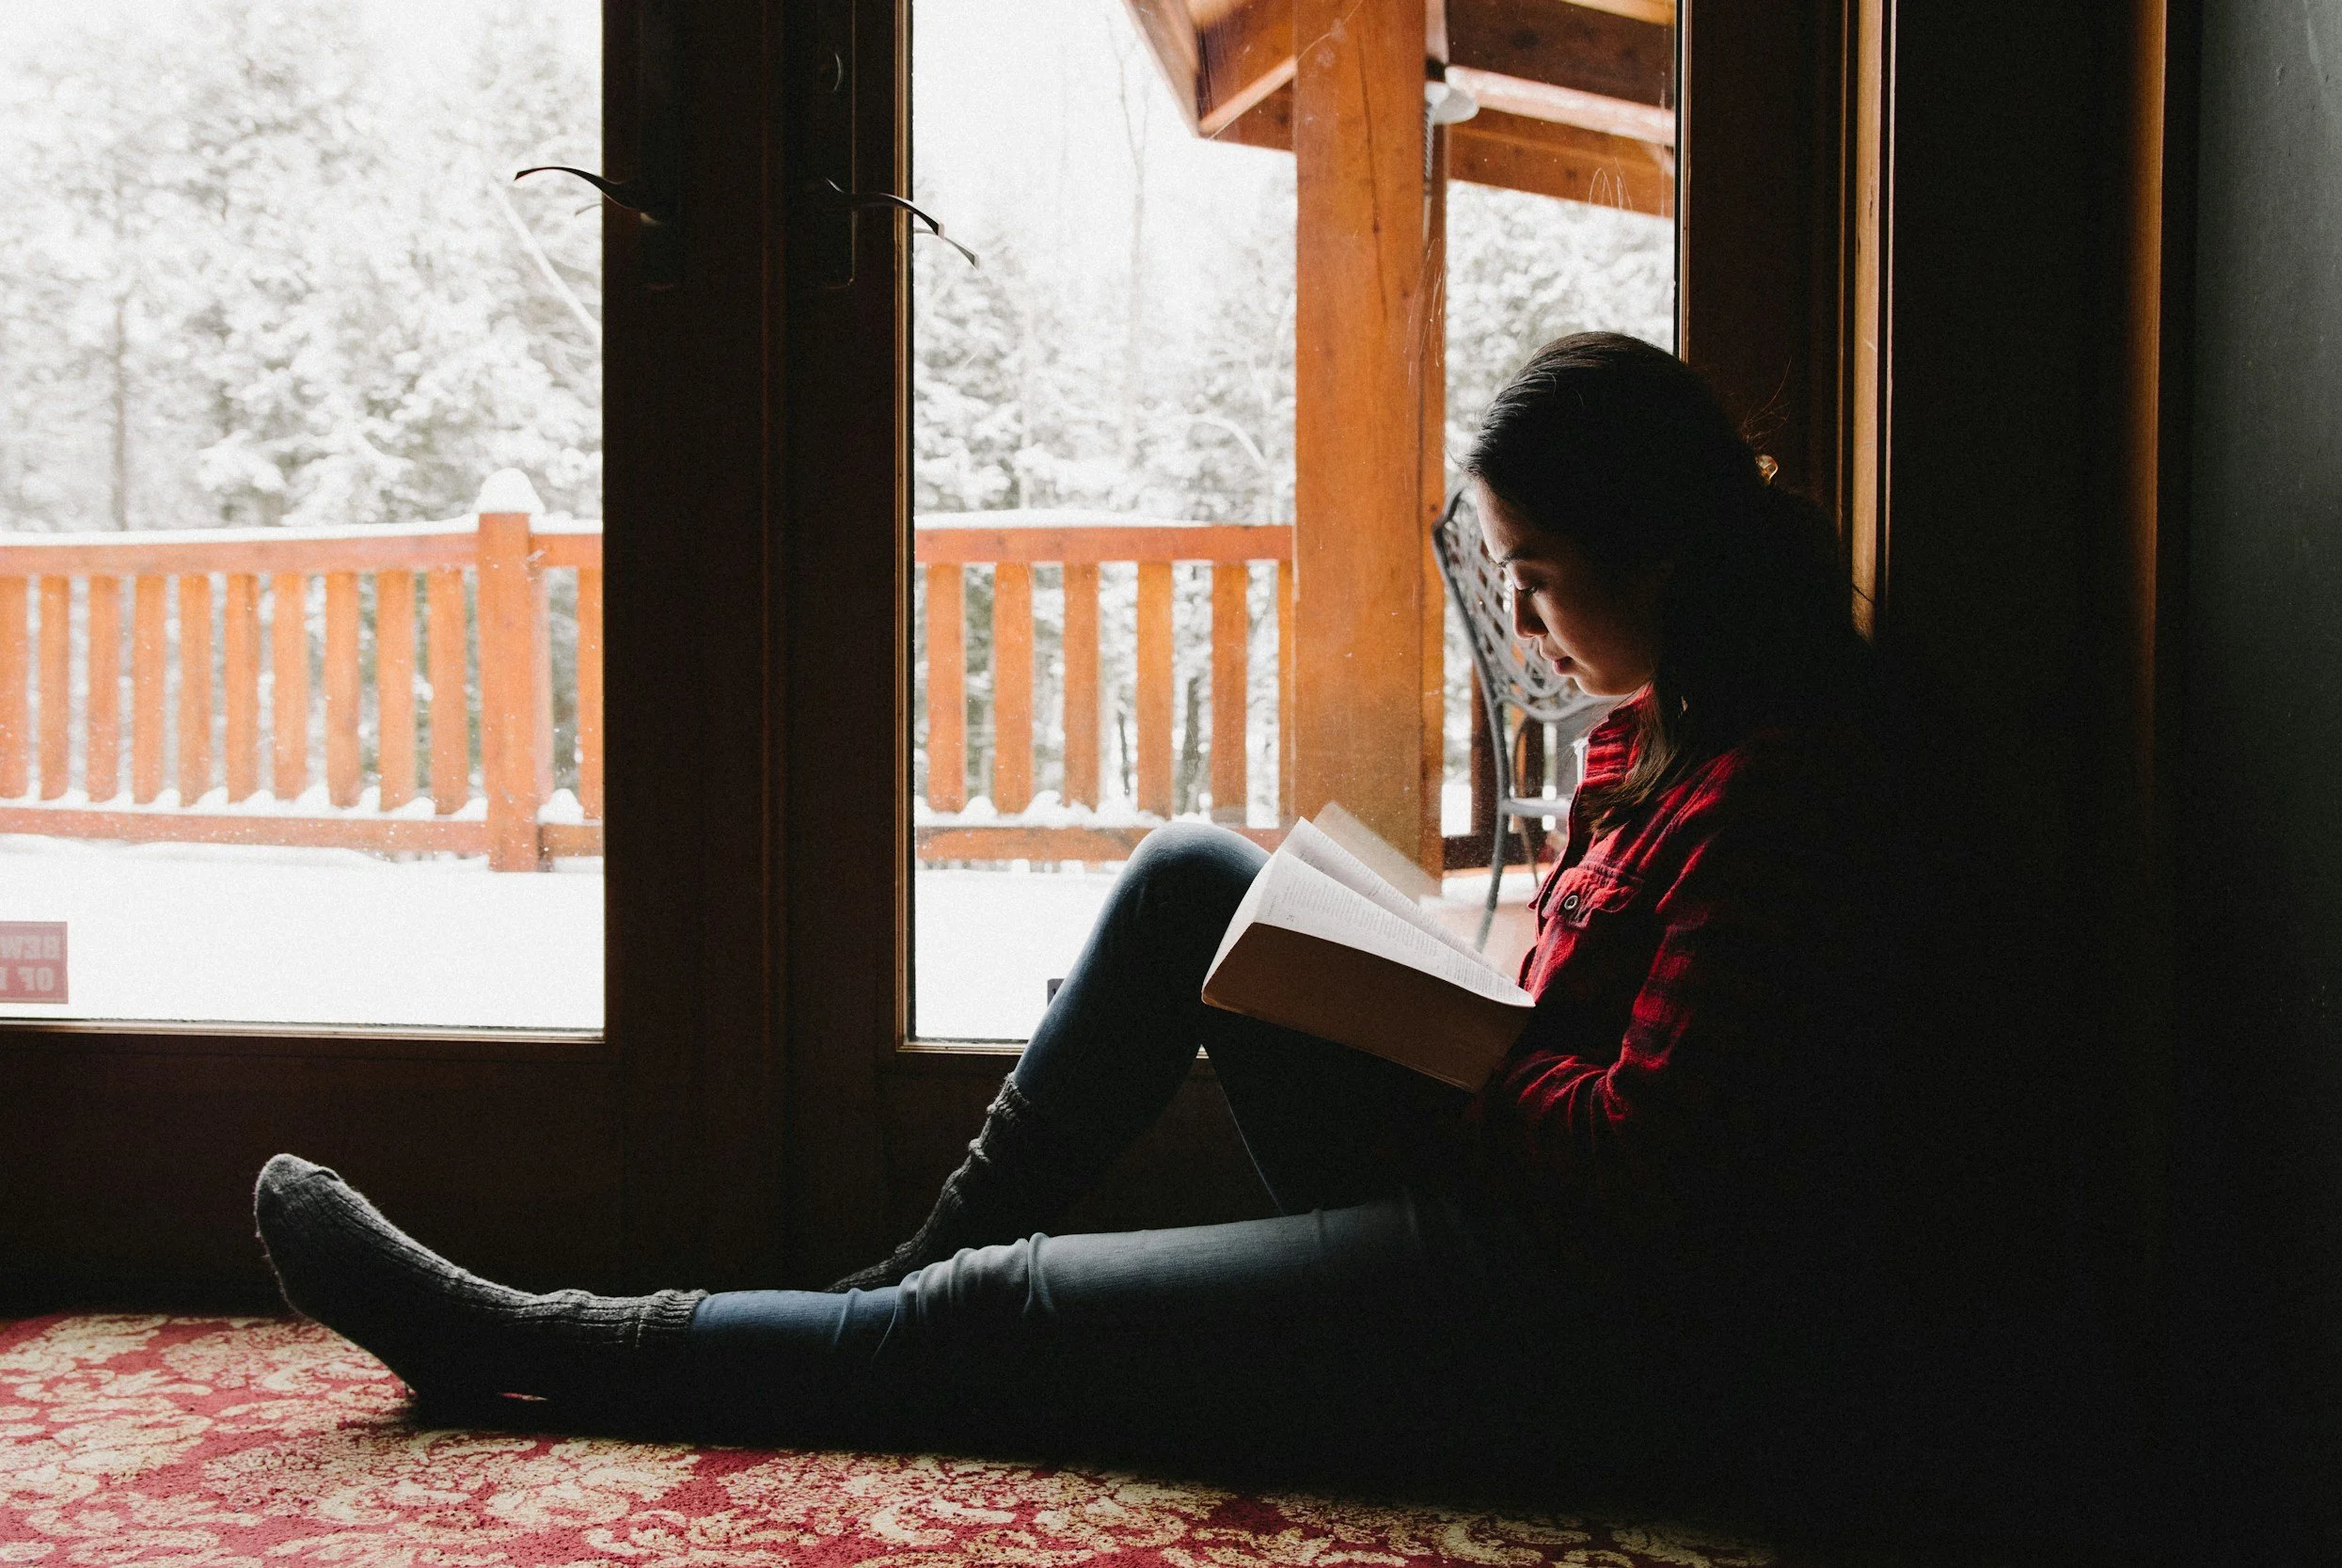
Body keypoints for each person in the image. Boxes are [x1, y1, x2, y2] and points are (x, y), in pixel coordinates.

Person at [253, 332, 1904, 1503]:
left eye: (1538, 573)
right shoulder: (1645, 738)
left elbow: (1652, 1171)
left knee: (1006, 1316)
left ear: (1663, 551)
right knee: (1196, 871)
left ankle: (533, 1343)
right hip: (1503, 1208)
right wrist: (1430, 1017)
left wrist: (1463, 1061)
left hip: (1580, 1337)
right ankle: (880, 1294)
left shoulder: (1781, 790)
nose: (1529, 622)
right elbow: (1575, 1056)